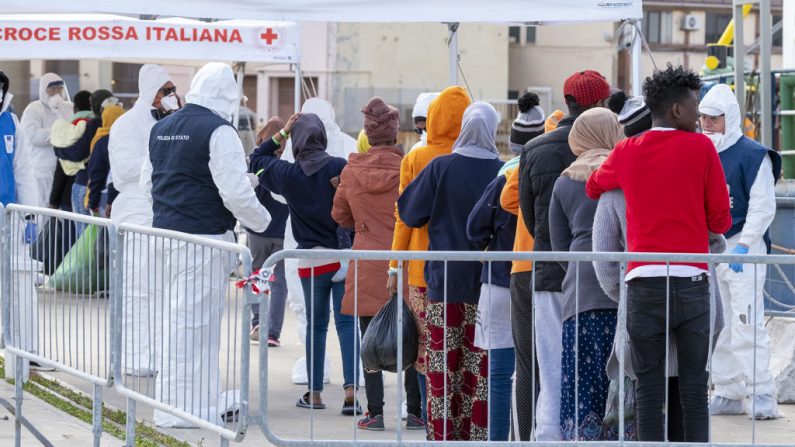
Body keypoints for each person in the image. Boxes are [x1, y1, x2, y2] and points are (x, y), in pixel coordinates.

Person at [586, 64, 732, 442]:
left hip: (643, 285)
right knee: (694, 389)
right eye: (695, 106)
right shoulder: (702, 148)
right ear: (677, 110)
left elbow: (593, 186)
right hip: (692, 282)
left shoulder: (627, 150)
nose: (700, 116)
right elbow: (721, 220)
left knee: (649, 389)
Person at [140, 62, 271, 427]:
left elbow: (148, 184)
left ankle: (177, 403)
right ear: (228, 95)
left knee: (175, 322)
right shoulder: (219, 130)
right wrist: (264, 221)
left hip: (166, 234)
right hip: (204, 240)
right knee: (197, 326)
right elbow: (233, 192)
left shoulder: (162, 128)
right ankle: (186, 410)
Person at [398, 102, 504, 441]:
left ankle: (443, 436)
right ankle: (476, 435)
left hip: (443, 285)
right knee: (479, 370)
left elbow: (410, 213)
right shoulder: (503, 172)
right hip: (486, 286)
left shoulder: (440, 167)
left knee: (442, 370)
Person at [518, 69, 610, 441]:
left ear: (567, 101)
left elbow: (528, 214)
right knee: (602, 372)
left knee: (553, 371)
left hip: (549, 275)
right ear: (603, 104)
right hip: (601, 283)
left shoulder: (535, 149)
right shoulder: (615, 152)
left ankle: (549, 437)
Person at [250, 113, 361, 415]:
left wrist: (282, 133)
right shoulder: (340, 166)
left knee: (317, 326)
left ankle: (315, 393)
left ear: (297, 141)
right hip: (343, 256)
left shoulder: (289, 174)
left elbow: (255, 159)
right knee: (347, 324)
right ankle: (351, 391)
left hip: (311, 260)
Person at [331, 97, 424, 432]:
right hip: (404, 261)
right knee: (412, 337)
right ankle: (415, 411)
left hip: (367, 259)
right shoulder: (409, 166)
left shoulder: (351, 169)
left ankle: (375, 412)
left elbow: (339, 215)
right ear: (394, 133)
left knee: (368, 338)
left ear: (368, 136)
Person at [387, 86, 471, 424]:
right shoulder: (475, 156)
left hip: (422, 271)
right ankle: (461, 420)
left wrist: (395, 265)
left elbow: (403, 217)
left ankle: (426, 416)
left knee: (427, 350)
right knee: (465, 351)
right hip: (470, 271)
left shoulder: (416, 158)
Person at [699, 84, 783, 420]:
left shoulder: (752, 155)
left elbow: (763, 205)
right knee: (717, 323)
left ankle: (761, 390)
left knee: (747, 322)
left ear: (729, 118)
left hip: (740, 248)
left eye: (714, 118)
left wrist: (746, 244)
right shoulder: (700, 151)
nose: (706, 123)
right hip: (711, 247)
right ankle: (728, 388)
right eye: (703, 116)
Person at [548, 108, 623, 440]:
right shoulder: (625, 174)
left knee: (581, 381)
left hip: (580, 292)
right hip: (624, 290)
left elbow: (559, 243)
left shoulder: (565, 181)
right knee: (623, 381)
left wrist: (579, 269)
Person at [276, 97, 357, 387]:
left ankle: (316, 378)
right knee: (347, 314)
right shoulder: (347, 150)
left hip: (305, 241)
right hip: (343, 244)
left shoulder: (294, 152)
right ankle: (352, 374)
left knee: (310, 315)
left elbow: (272, 180)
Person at [109, 64, 177, 377]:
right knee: (136, 287)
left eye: (173, 90)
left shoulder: (174, 123)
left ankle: (160, 354)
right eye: (166, 90)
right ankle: (134, 355)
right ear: (151, 92)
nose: (171, 96)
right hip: (135, 212)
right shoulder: (126, 124)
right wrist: (158, 160)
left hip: (163, 212)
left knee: (162, 289)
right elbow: (122, 169)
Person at [497, 104, 545, 441]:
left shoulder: (532, 158)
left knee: (526, 362)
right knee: (557, 361)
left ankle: (525, 435)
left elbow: (506, 199)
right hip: (560, 271)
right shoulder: (578, 156)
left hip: (523, 268)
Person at [466, 161, 518, 441]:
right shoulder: (564, 169)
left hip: (499, 280)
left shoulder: (507, 177)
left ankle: (497, 440)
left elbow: (474, 229)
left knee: (499, 371)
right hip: (547, 281)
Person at [1, 70, 44, 379]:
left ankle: (23, 350)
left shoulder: (10, 123)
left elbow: (24, 172)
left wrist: (30, 215)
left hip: (10, 220)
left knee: (19, 286)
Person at [247, 117, 290, 347]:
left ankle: (257, 322)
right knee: (279, 283)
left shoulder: (256, 162)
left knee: (258, 276)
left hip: (258, 230)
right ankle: (272, 332)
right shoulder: (289, 163)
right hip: (283, 231)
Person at [53, 89, 115, 221]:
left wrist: (58, 151)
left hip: (86, 185)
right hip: (108, 188)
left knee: (84, 234)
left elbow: (78, 153)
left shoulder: (94, 125)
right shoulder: (118, 124)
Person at [20, 73, 73, 207]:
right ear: (44, 90)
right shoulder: (33, 109)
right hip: (42, 172)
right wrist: (61, 134)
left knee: (65, 214)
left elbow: (76, 131)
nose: (56, 92)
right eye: (52, 89)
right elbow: (33, 136)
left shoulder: (68, 108)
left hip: (67, 172)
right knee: (42, 210)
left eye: (59, 88)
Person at [48, 90, 92, 211]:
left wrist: (53, 201)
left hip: (71, 192)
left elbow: (61, 169)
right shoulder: (101, 125)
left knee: (72, 229)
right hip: (95, 193)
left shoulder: (71, 128)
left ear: (75, 108)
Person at [86, 104, 124, 217]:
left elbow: (96, 173)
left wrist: (92, 202)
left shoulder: (102, 141)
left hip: (105, 198)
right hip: (124, 196)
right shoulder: (126, 139)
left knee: (105, 233)